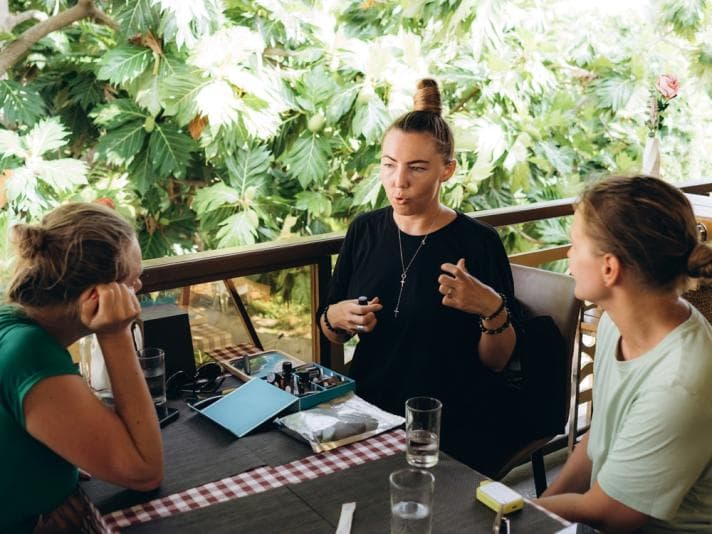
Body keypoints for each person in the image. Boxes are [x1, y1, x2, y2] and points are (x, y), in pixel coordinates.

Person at [319, 79, 529, 475]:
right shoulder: (364, 230)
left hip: (450, 421)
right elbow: (330, 328)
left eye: (416, 168)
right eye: (388, 164)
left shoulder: (479, 243)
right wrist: (337, 318)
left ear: (447, 170)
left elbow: (498, 362)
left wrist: (491, 309)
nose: (398, 181)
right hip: (369, 413)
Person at [537, 175, 712, 532]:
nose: (568, 255)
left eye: (574, 244)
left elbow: (611, 514)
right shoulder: (614, 323)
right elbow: (597, 437)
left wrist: (515, 512)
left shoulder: (679, 381)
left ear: (609, 268)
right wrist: (534, 509)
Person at [0, 203, 164, 532]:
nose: (140, 288)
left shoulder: (14, 322)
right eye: (131, 282)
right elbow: (145, 472)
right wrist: (115, 334)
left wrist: (55, 482)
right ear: (95, 296)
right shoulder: (31, 353)